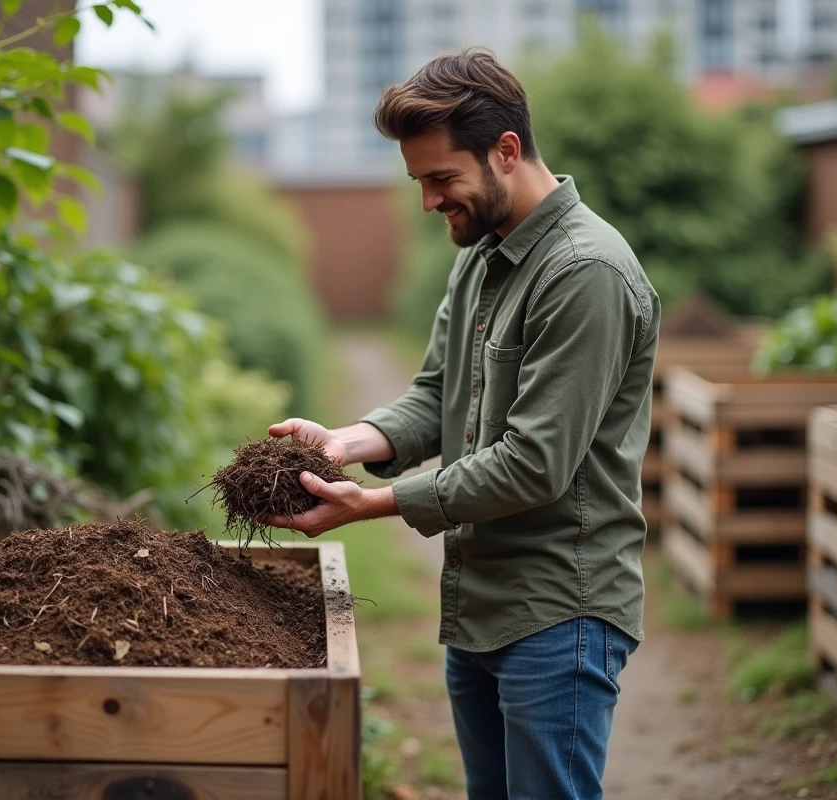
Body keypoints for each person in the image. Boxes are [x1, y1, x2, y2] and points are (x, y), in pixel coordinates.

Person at [264, 47, 659, 800]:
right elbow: (436, 397)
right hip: (478, 606)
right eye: (418, 181)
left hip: (558, 612)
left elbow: (533, 464)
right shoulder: (483, 256)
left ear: (506, 151)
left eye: (441, 179)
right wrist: (341, 444)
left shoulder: (586, 275)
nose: (428, 201)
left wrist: (374, 503)